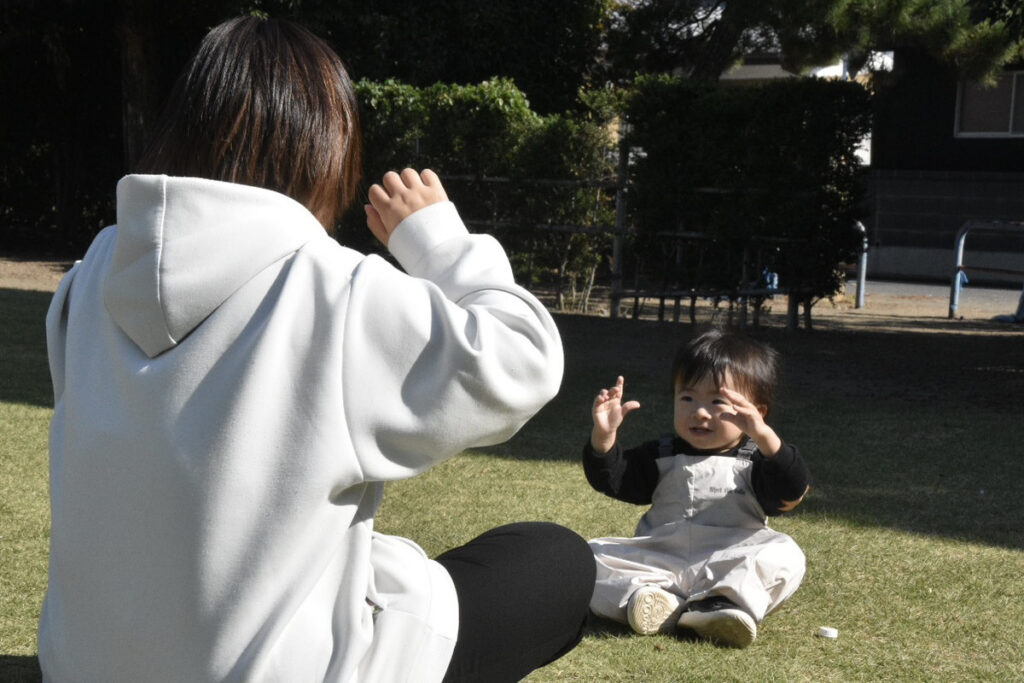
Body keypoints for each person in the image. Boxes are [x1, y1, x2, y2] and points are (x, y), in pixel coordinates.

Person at [39, 16, 594, 683]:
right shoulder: (334, 289)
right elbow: (524, 357)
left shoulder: (88, 278)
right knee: (556, 560)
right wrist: (437, 242)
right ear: (327, 148)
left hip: (81, 665)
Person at [582, 329, 811, 648]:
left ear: (757, 412)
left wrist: (766, 439)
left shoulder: (757, 460)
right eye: (687, 398)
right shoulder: (662, 453)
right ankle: (647, 598)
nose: (699, 412)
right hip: (661, 559)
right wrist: (603, 440)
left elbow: (791, 489)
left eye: (717, 401)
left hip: (730, 561)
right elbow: (616, 479)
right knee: (587, 557)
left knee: (786, 554)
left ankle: (722, 604)